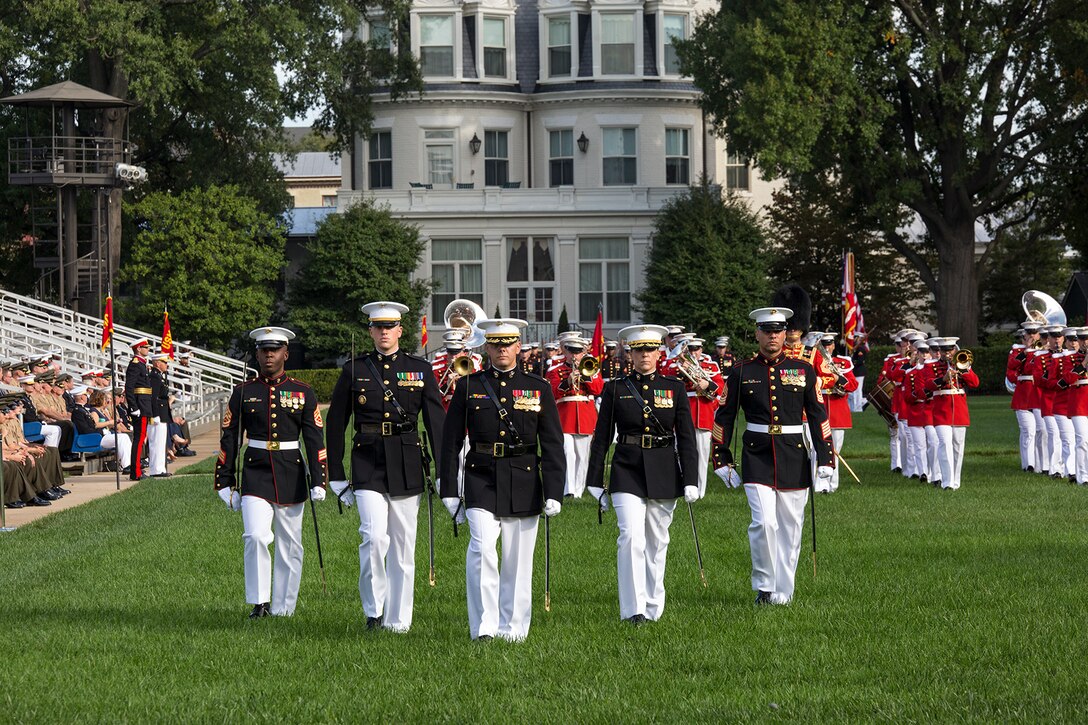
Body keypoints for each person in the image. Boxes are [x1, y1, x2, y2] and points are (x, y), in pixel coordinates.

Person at [438, 318, 565, 642]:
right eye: (496, 344)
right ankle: (484, 627)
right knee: (481, 549)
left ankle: (513, 628)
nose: (502, 349)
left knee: (518, 560)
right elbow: (450, 441)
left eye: (508, 343)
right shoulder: (469, 386)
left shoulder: (539, 388)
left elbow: (551, 443)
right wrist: (449, 489)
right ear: (487, 347)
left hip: (523, 476)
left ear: (518, 346)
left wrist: (554, 491)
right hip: (481, 476)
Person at [325, 301, 445, 633]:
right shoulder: (355, 369)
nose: (384, 332)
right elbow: (335, 424)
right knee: (374, 538)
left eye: (389, 327)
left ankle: (399, 620)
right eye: (378, 327)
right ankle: (374, 609)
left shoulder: (420, 369)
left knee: (403, 547)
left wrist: (446, 473)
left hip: (406, 461)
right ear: (370, 332)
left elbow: (436, 423)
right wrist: (335, 473)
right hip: (368, 462)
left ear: (400, 331)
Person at [712, 307, 834, 606]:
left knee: (791, 529)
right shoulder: (742, 371)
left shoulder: (804, 370)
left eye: (778, 330)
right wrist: (721, 457)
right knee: (764, 522)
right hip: (757, 454)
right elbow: (725, 416)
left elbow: (818, 415)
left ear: (785, 333)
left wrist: (826, 458)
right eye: (766, 330)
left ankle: (784, 592)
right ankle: (765, 586)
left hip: (793, 453)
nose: (773, 336)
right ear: (757, 334)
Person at [586, 323, 698, 624]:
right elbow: (602, 437)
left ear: (659, 352)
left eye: (650, 349)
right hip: (627, 468)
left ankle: (652, 606)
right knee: (630, 537)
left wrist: (691, 479)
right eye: (639, 350)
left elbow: (686, 437)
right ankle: (632, 610)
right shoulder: (615, 388)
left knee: (657, 541)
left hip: (663, 468)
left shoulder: (674, 389)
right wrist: (594, 480)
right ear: (630, 353)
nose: (645, 355)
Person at [213, 326, 328, 619]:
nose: (269, 355)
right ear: (256, 354)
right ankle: (259, 602)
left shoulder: (302, 391)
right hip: (256, 471)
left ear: (285, 353)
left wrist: (320, 479)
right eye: (264, 350)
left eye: (274, 350)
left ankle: (283, 607)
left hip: (291, 470)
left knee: (290, 543)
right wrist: (224, 480)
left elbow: (314, 438)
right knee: (255, 536)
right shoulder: (243, 392)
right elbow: (229, 436)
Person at [662, 336, 722, 498]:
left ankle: (700, 490)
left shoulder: (711, 365)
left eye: (696, 349)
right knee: (679, 451)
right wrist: (682, 368)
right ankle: (682, 486)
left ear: (701, 350)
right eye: (689, 350)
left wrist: (707, 385)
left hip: (703, 412)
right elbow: (667, 381)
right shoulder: (672, 366)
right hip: (683, 410)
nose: (693, 352)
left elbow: (720, 387)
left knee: (702, 454)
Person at [546, 332, 603, 499]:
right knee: (567, 452)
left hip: (585, 415)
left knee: (583, 455)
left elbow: (598, 390)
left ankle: (578, 490)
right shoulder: (555, 370)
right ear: (565, 351)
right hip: (564, 415)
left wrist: (585, 376)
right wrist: (567, 382)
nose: (574, 355)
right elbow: (552, 392)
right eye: (571, 351)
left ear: (583, 352)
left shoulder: (591, 368)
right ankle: (568, 488)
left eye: (578, 351)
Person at [927, 337, 979, 490]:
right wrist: (943, 378)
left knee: (958, 446)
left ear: (955, 350)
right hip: (941, 410)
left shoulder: (962, 365)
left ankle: (956, 482)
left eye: (950, 350)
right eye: (943, 351)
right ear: (939, 352)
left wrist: (963, 370)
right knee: (944, 444)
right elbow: (928, 384)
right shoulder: (932, 366)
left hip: (959, 410)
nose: (947, 354)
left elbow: (975, 383)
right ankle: (947, 482)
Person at [819, 335, 859, 492]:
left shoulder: (843, 362)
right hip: (819, 406)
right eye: (823, 344)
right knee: (818, 450)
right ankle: (819, 484)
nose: (826, 347)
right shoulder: (813, 361)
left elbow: (853, 384)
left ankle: (832, 485)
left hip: (837, 410)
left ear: (834, 346)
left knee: (835, 451)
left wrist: (840, 383)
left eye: (829, 344)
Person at [72, 386, 134, 474]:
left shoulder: (83, 410)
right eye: (85, 395)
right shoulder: (78, 411)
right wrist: (101, 431)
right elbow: (85, 429)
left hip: (98, 435)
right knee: (122, 438)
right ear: (82, 397)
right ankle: (126, 466)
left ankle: (130, 464)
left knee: (124, 437)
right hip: (93, 437)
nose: (87, 397)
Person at [1007, 323, 1042, 472]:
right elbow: (1011, 368)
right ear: (1024, 335)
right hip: (1024, 395)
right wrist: (1027, 350)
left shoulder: (1045, 350)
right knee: (1028, 431)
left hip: (1040, 393)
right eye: (1030, 333)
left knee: (1042, 431)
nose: (1033, 335)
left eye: (1035, 332)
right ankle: (1029, 465)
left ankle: (1042, 464)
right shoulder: (1017, 351)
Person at [124, 338, 154, 480]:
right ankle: (135, 472)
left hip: (144, 404)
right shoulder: (135, 364)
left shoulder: (142, 364)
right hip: (139, 406)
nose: (148, 349)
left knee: (141, 438)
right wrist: (133, 407)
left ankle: (137, 471)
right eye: (145, 347)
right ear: (138, 349)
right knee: (139, 439)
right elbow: (129, 388)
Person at [147, 353, 172, 478]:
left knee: (161, 443)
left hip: (162, 413)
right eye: (164, 362)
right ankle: (156, 470)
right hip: (157, 414)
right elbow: (153, 397)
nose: (166, 364)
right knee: (156, 442)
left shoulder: (159, 376)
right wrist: (155, 414)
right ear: (157, 363)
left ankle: (160, 468)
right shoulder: (154, 377)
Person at [849, 333, 868, 412]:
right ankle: (860, 403)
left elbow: (860, 361)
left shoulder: (860, 349)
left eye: (855, 338)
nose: (854, 339)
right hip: (857, 371)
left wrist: (852, 362)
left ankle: (858, 407)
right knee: (855, 390)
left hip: (859, 371)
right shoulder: (857, 348)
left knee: (858, 390)